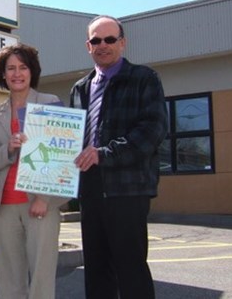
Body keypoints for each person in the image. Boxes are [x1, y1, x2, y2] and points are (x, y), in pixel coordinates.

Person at [70, 15, 168, 299]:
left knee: (130, 269)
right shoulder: (80, 88)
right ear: (88, 46)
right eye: (96, 40)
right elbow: (74, 137)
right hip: (90, 190)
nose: (103, 45)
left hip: (128, 189)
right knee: (97, 271)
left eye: (110, 39)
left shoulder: (144, 79)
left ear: (122, 43)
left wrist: (104, 154)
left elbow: (152, 132)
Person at [0, 43, 69, 299]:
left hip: (39, 204)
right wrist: (7, 149)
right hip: (4, 204)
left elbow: (62, 156)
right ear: (3, 74)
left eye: (23, 67)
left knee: (41, 277)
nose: (17, 73)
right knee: (8, 277)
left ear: (32, 72)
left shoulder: (50, 103)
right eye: (10, 68)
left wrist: (44, 198)